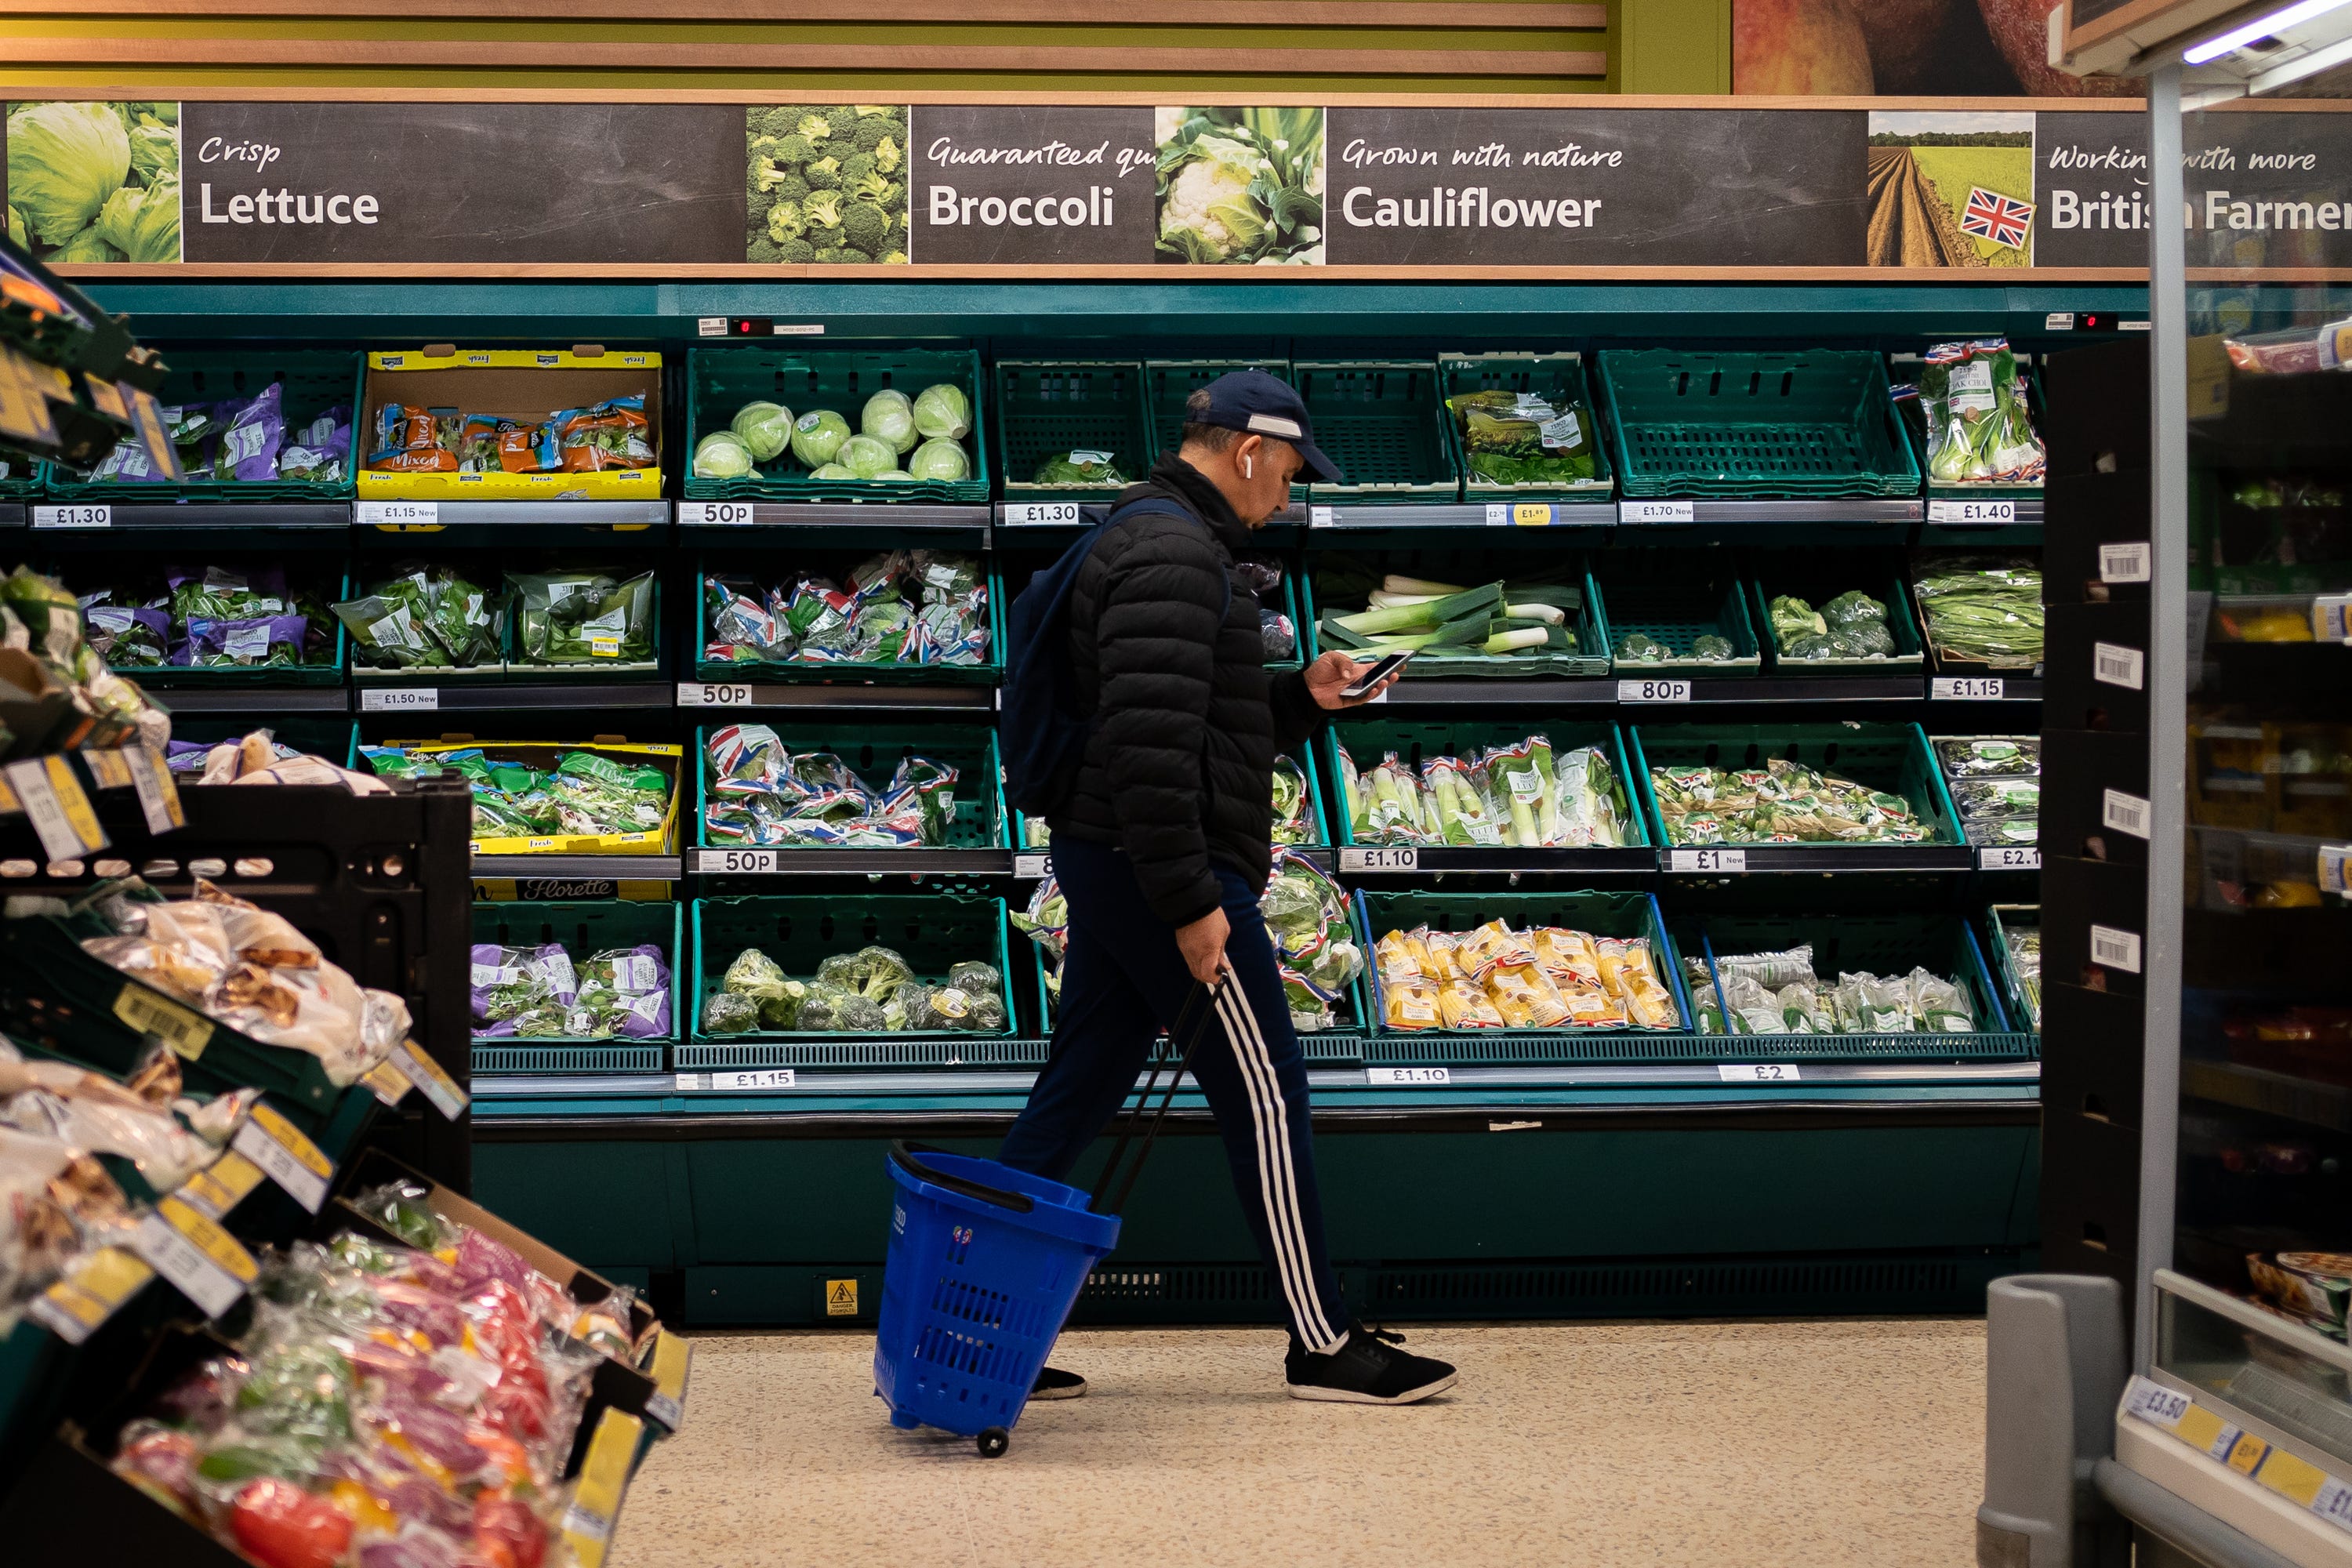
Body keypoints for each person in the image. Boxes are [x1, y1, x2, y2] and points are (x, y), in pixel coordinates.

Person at [1000, 370, 1457, 1406]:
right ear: (1249, 450)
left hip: (1113, 860)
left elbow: (1187, 716)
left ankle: (978, 1320)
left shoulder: (1157, 534)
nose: (1287, 497)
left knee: (1075, 1094)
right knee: (1266, 1093)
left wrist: (1302, 695)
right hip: (1156, 866)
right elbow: (1148, 750)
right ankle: (1325, 1342)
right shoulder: (1169, 553)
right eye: (1289, 473)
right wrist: (1192, 903)